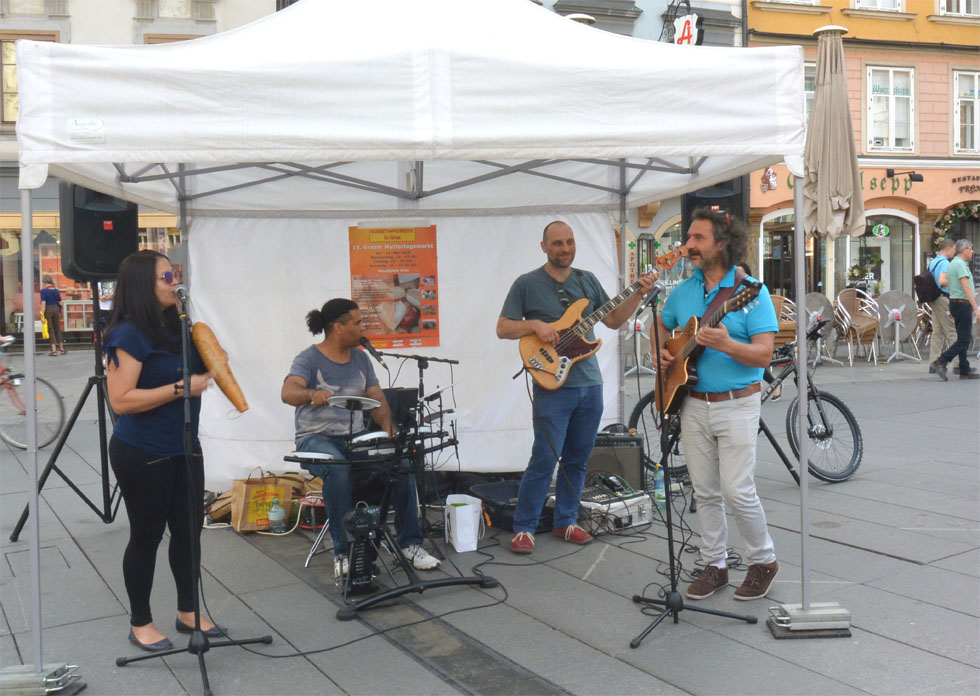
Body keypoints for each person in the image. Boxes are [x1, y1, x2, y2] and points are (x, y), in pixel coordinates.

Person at [497, 220, 657, 554]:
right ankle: (524, 527)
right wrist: (536, 325)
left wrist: (639, 291)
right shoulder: (526, 284)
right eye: (557, 243)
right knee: (544, 456)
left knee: (578, 458)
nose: (565, 248)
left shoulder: (587, 280)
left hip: (589, 382)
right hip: (552, 383)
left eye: (569, 242)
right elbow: (503, 328)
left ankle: (566, 521)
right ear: (544, 247)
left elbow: (613, 320)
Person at [653, 208, 780, 601]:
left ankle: (763, 561)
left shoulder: (751, 291)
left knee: (737, 489)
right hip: (692, 401)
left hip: (738, 404)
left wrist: (727, 344)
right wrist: (661, 349)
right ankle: (715, 564)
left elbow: (763, 356)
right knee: (704, 491)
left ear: (721, 244)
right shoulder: (685, 289)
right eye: (689, 237)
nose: (688, 245)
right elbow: (660, 320)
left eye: (697, 238)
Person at [103, 250, 217, 652]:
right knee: (147, 535)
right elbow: (121, 400)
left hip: (185, 445)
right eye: (166, 276)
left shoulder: (179, 325)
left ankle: (188, 611)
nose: (175, 282)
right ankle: (141, 622)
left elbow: (204, 369)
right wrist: (181, 388)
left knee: (189, 532)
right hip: (142, 450)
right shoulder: (129, 334)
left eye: (175, 274)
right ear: (142, 286)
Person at [281, 298, 440, 578]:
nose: (362, 328)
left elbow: (377, 398)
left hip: (354, 439)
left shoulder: (361, 358)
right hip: (316, 440)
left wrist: (389, 434)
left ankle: (410, 545)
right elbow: (288, 392)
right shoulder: (308, 359)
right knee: (337, 469)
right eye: (357, 323)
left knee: (400, 465)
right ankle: (344, 552)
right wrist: (310, 394)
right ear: (337, 328)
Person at [931, 239, 980, 381]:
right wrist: (976, 308)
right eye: (970, 249)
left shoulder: (953, 264)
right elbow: (966, 287)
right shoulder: (960, 265)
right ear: (964, 250)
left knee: (961, 336)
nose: (972, 251)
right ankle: (941, 361)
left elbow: (951, 283)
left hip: (955, 302)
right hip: (962, 303)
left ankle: (964, 368)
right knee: (964, 339)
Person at [927, 240, 960, 375]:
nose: (954, 252)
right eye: (953, 250)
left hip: (934, 299)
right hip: (942, 299)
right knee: (952, 331)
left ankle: (933, 362)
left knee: (937, 332)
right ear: (947, 248)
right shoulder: (945, 263)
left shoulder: (934, 262)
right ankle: (958, 363)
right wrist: (956, 283)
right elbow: (941, 281)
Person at [40, 276, 66, 356]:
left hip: (48, 310)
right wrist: (61, 311)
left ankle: (54, 351)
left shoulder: (43, 291)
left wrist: (41, 315)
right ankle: (62, 349)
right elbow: (60, 302)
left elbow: (43, 304)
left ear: (44, 282)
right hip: (56, 309)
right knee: (57, 329)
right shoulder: (56, 290)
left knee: (50, 330)